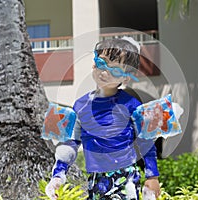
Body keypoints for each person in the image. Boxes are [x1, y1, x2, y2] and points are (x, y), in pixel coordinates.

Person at [45, 37, 160, 200]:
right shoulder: (80, 105)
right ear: (94, 64)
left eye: (115, 70)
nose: (105, 72)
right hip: (95, 180)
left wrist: (152, 177)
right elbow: (71, 143)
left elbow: (146, 141)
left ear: (126, 78)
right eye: (101, 63)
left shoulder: (131, 104)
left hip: (125, 179)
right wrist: (58, 176)